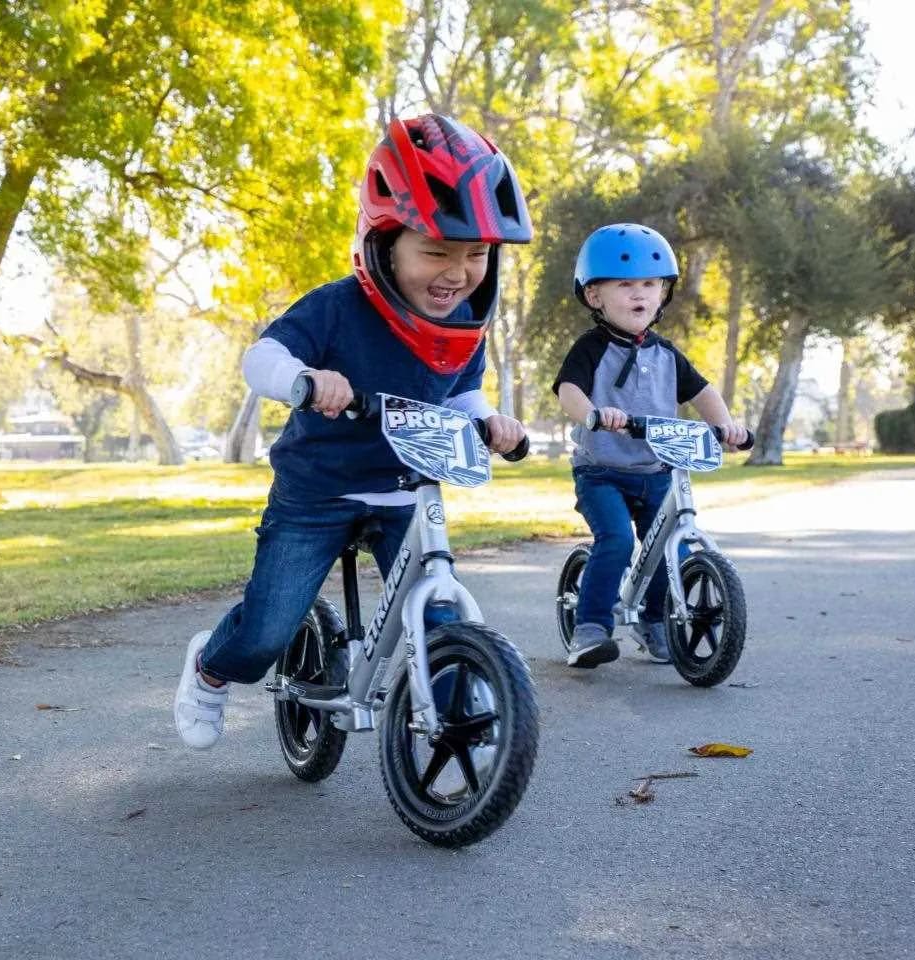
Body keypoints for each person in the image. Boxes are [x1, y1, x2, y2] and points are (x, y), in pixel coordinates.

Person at [174, 114, 533, 749]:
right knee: (267, 631)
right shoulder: (338, 306)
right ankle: (211, 665)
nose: (458, 272)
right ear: (384, 241)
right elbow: (262, 359)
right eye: (436, 251)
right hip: (319, 493)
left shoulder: (464, 325)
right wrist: (307, 381)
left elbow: (464, 393)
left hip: (407, 491)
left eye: (475, 254)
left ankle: (459, 698)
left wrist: (491, 421)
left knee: (441, 606)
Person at [551, 224, 749, 668]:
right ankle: (591, 627)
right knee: (617, 540)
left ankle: (656, 623)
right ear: (594, 296)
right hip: (601, 471)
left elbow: (702, 392)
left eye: (650, 284)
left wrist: (728, 427)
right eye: (624, 284)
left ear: (663, 294)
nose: (639, 293)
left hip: (656, 470)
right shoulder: (591, 348)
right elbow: (568, 390)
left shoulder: (666, 354)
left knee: (671, 546)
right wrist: (595, 415)